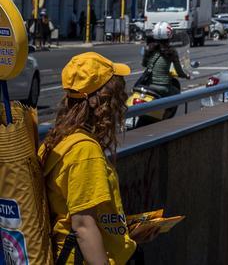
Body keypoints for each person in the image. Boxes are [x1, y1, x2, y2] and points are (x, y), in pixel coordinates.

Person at [40, 52, 137, 265]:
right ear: (98, 102)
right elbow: (83, 226)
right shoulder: (85, 151)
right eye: (117, 97)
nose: (121, 104)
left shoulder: (61, 138)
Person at [140, 22, 189, 98]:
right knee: (177, 94)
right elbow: (179, 72)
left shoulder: (148, 49)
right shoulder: (172, 52)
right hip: (164, 88)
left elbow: (144, 64)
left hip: (149, 86)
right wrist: (186, 75)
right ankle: (168, 110)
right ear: (169, 35)